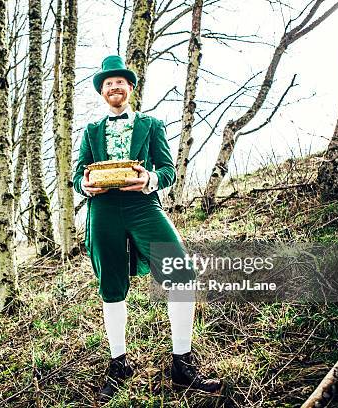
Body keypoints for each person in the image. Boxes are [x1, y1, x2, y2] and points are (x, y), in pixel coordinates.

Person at [73, 55, 222, 403]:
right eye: (108, 83)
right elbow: (77, 173)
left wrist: (150, 178)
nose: (114, 87)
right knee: (111, 283)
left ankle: (182, 364)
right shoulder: (91, 131)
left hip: (143, 205)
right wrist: (84, 184)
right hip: (103, 210)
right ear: (102, 91)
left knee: (181, 272)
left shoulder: (152, 125)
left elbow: (168, 171)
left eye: (120, 82)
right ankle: (119, 363)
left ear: (129, 88)